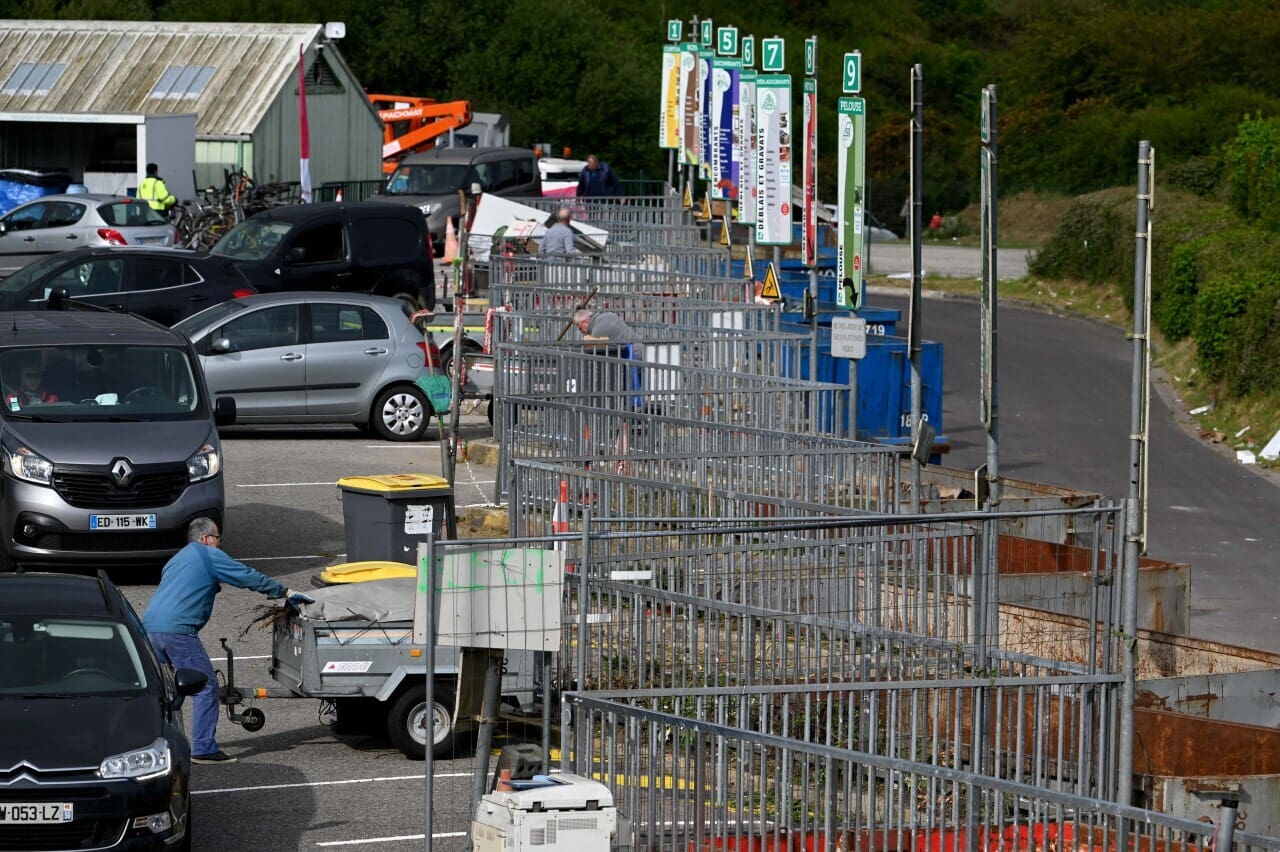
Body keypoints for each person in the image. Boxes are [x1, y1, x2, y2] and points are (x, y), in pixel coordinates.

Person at [143, 517, 312, 764]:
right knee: (204, 686)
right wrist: (283, 592)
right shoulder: (206, 555)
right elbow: (245, 575)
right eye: (218, 539)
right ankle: (203, 749)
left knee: (171, 691)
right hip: (176, 631)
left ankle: (153, 742)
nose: (219, 544)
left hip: (150, 629)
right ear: (205, 539)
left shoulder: (178, 558)